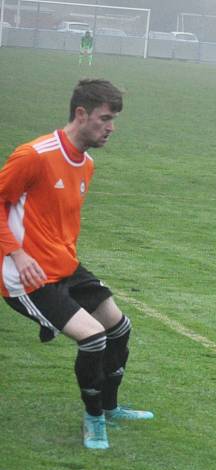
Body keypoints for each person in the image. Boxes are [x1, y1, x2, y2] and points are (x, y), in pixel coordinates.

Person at [0, 79, 153, 450]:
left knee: (119, 329)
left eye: (114, 119)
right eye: (105, 118)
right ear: (81, 114)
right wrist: (17, 253)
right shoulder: (34, 155)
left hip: (66, 267)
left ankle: (112, 408)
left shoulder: (86, 165)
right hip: (26, 277)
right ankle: (94, 418)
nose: (111, 127)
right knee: (94, 337)